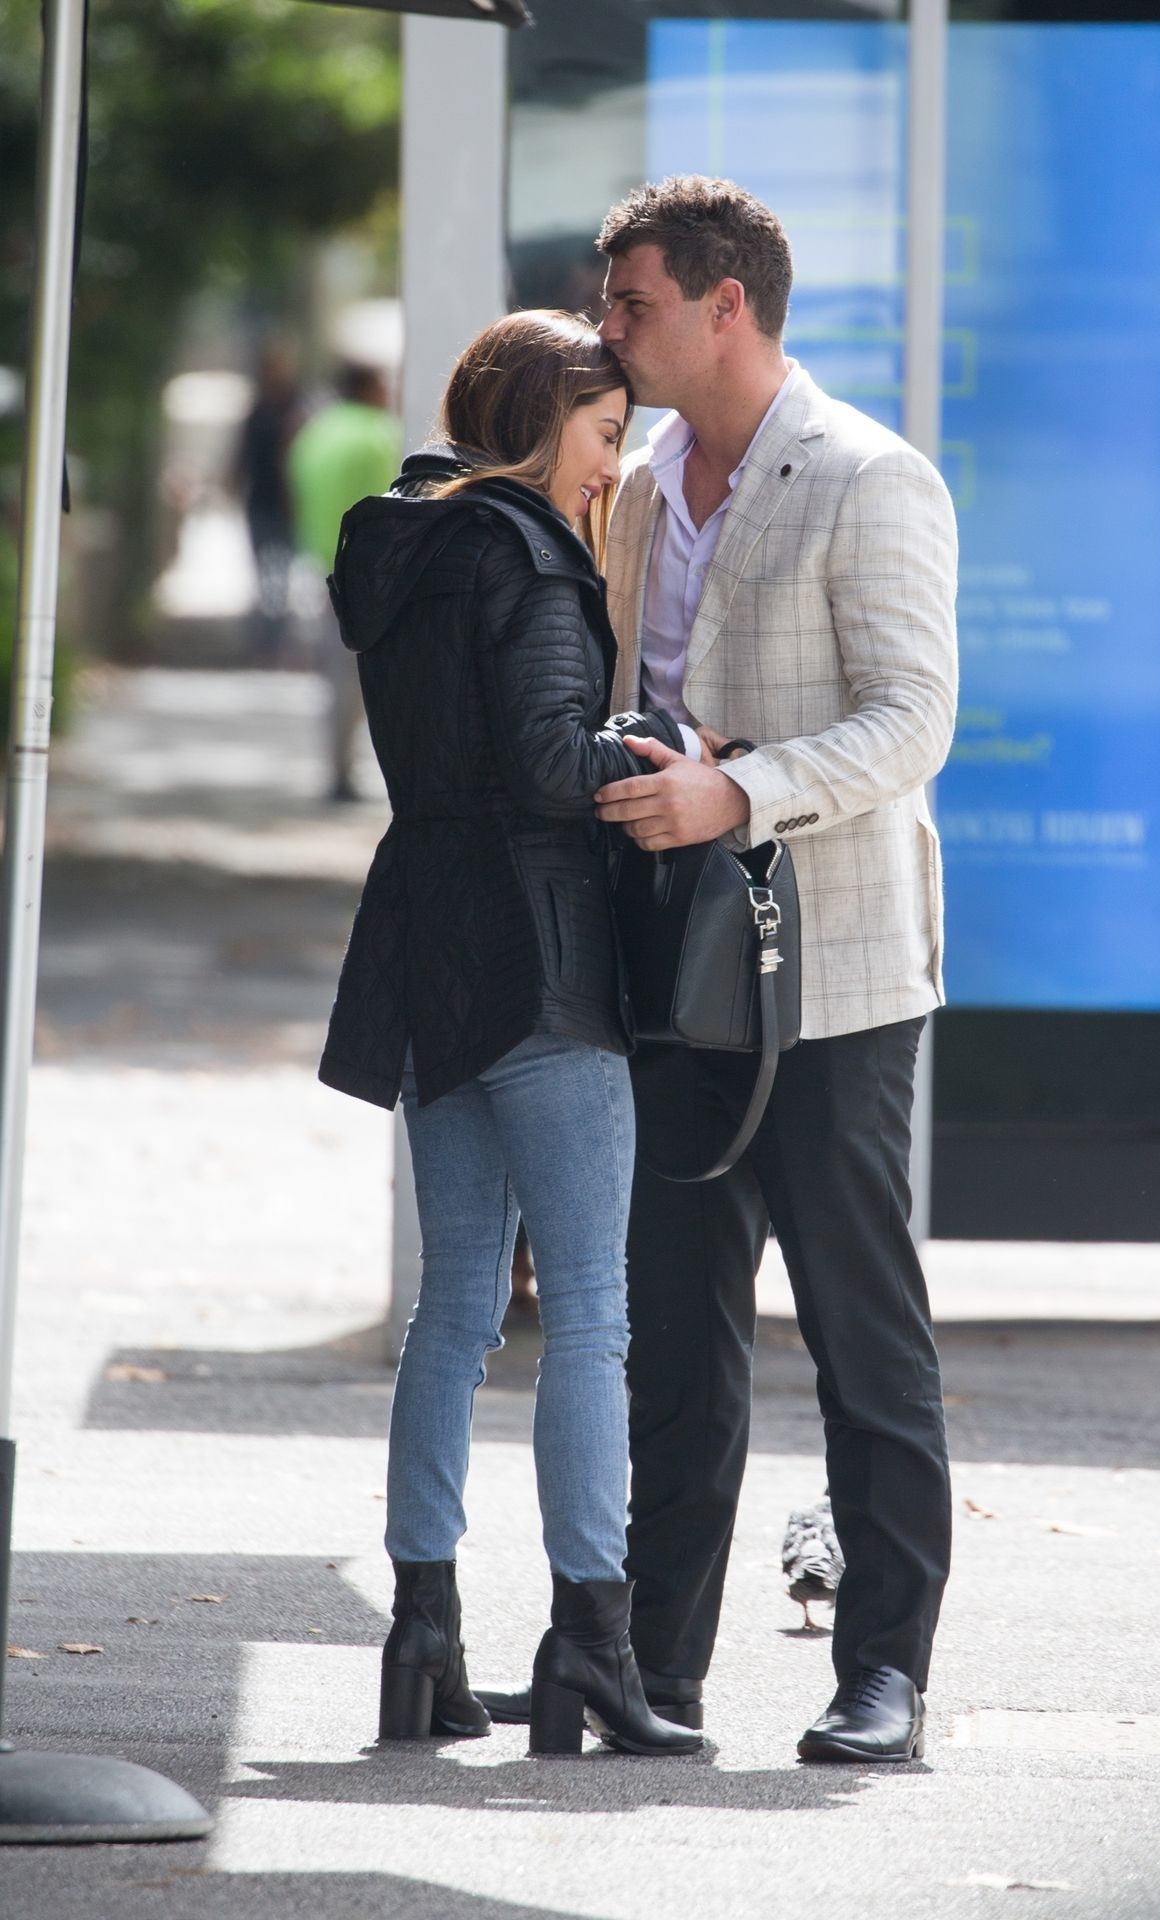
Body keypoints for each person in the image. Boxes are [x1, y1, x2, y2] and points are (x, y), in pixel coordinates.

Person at [590, 176, 959, 1765]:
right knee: (676, 1341)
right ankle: (656, 1673)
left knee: (862, 1339)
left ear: (725, 305)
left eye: (635, 304)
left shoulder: (870, 475)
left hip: (837, 974)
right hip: (670, 966)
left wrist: (736, 792)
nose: (609, 329)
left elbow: (912, 719)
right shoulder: (635, 483)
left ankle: (885, 1674)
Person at [317, 311, 705, 1759]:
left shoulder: (402, 543)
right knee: (591, 1310)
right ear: (541, 420)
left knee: (457, 1309)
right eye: (604, 435)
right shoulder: (528, 556)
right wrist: (675, 749)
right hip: (541, 960)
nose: (612, 467)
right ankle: (593, 1645)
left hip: (428, 951)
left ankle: (421, 1639)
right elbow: (551, 764)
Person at [287, 362, 402, 801]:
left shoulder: (317, 432)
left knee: (337, 679)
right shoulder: (378, 435)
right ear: (369, 388)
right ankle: (356, 776)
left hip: (325, 566)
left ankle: (338, 769)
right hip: (374, 576)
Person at [235, 340, 302, 664]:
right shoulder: (258, 409)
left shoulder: (295, 409)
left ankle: (275, 640)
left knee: (281, 574)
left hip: (287, 504)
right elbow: (242, 456)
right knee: (263, 574)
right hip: (260, 501)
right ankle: (266, 638)